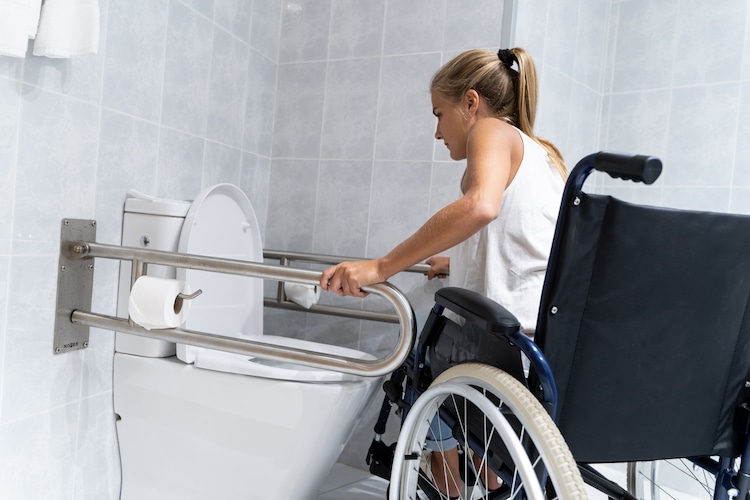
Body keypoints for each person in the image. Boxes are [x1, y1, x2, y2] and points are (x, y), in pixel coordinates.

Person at [320, 47, 567, 497]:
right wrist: (461, 259)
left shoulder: (491, 129)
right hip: (549, 344)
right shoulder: (546, 155)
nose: (437, 132)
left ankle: (450, 487)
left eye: (439, 114)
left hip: (503, 344)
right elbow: (530, 243)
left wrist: (380, 266)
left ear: (471, 103)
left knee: (419, 355)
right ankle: (491, 482)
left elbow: (480, 206)